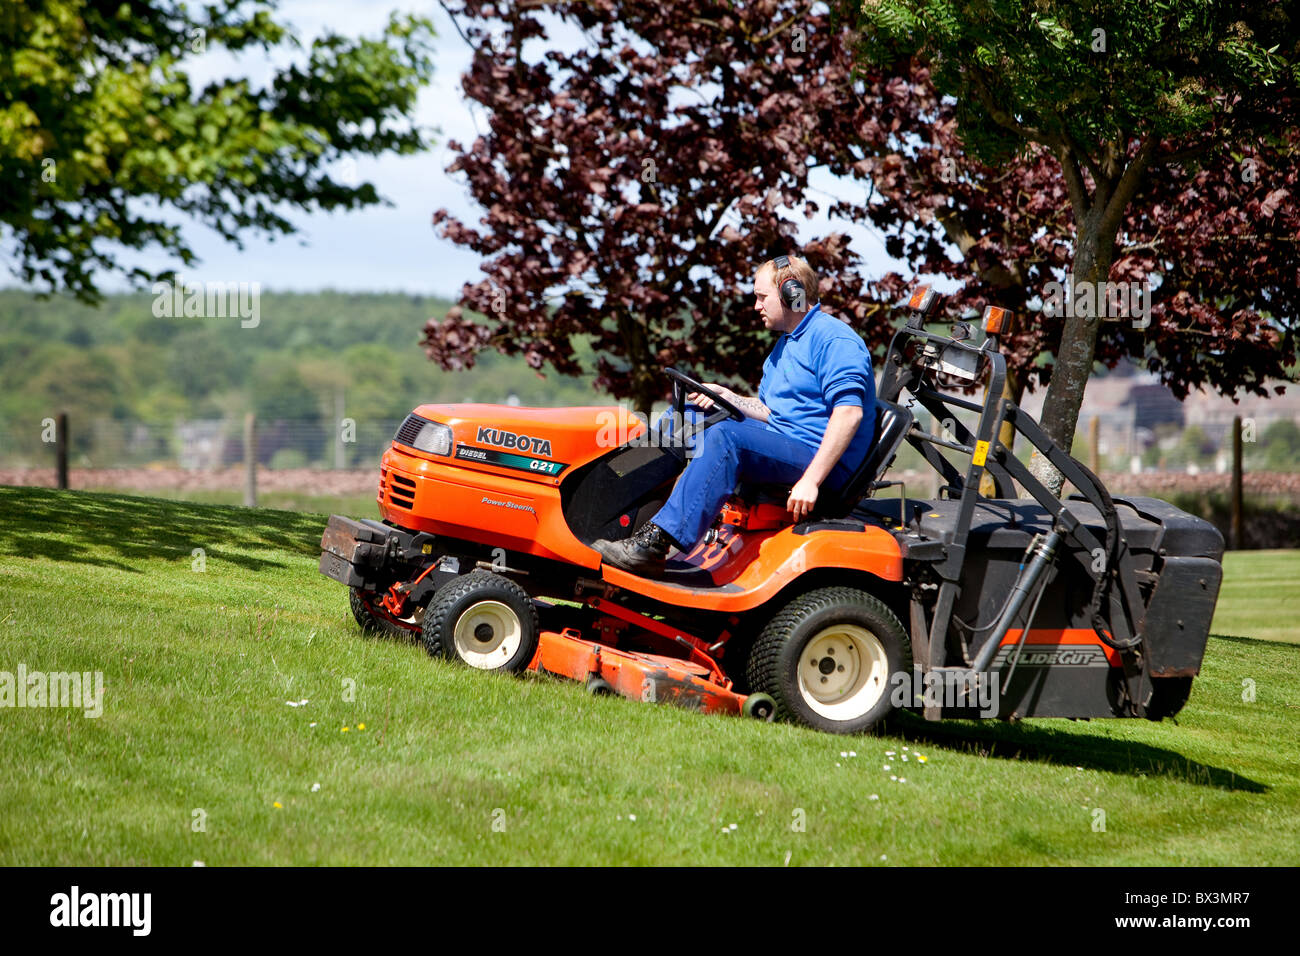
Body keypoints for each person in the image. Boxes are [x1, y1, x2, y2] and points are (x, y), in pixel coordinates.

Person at [592, 254, 875, 577]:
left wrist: (811, 480)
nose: (756, 306)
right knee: (687, 413)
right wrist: (732, 399)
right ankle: (618, 499)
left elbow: (849, 414)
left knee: (726, 438)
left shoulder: (833, 339)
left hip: (818, 460)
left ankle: (656, 543)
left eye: (761, 297)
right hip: (786, 443)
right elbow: (772, 412)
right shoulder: (785, 347)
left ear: (791, 292)